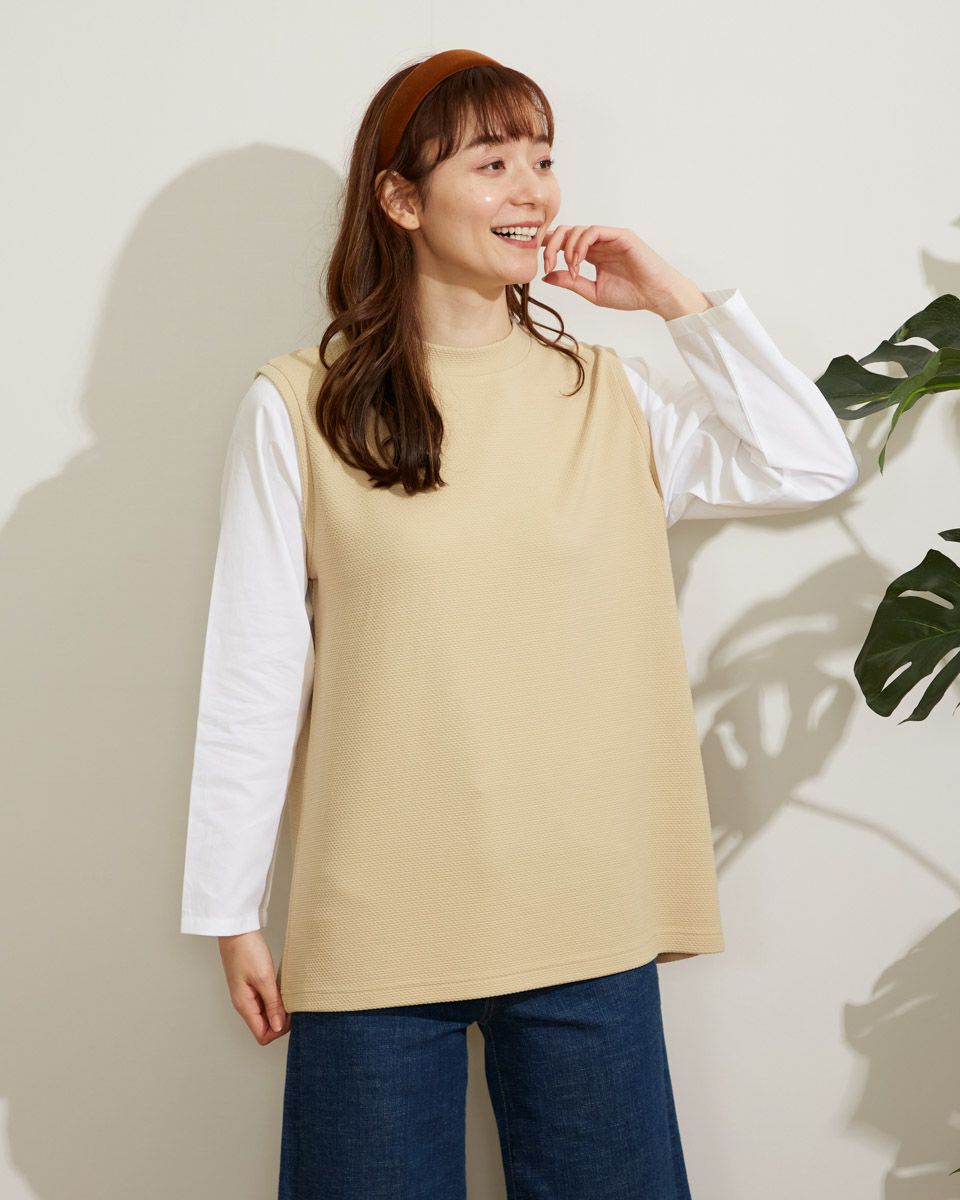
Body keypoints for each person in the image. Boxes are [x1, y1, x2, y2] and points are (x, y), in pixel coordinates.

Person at [180, 49, 859, 1200]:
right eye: (491, 163)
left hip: (588, 910)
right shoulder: (299, 404)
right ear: (401, 200)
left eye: (542, 160)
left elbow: (809, 462)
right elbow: (255, 666)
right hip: (378, 915)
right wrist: (228, 910)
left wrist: (675, 301)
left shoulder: (609, 395)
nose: (533, 190)